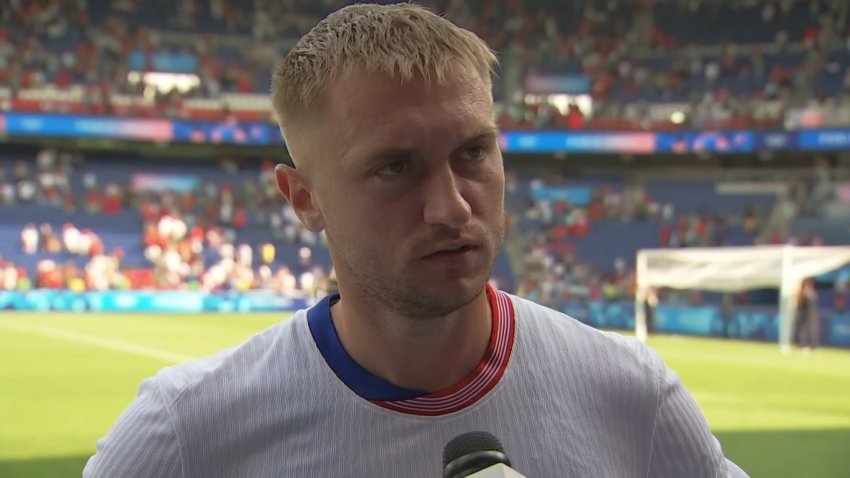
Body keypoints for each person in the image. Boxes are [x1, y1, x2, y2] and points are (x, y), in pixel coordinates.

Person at [84, 4, 748, 477]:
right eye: (396, 167)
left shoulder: (633, 397)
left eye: (473, 152)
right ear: (304, 198)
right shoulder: (184, 435)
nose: (451, 206)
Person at [794, 278, 820, 351]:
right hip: (805, 315)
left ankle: (812, 346)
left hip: (812, 315)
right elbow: (800, 304)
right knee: (804, 331)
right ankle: (803, 345)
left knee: (812, 330)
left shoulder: (812, 293)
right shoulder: (803, 294)